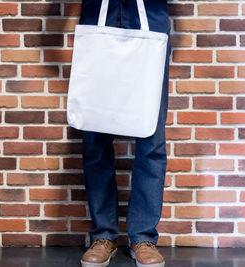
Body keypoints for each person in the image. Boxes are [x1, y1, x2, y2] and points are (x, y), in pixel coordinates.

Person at [77, 0, 171, 266]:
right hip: (97, 21)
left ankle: (143, 237)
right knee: (95, 135)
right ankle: (103, 235)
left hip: (150, 23)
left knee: (150, 138)